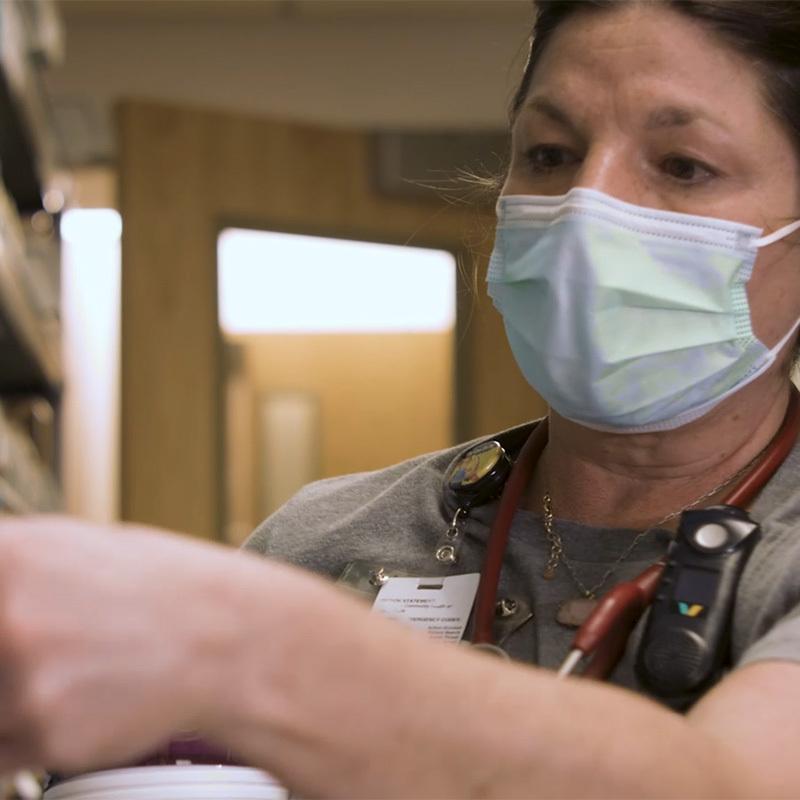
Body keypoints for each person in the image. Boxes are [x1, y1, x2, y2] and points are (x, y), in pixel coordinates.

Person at [1, 0, 800, 796]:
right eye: (551, 154)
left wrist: (252, 646)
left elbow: (734, 782)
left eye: (683, 165)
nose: (585, 210)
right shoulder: (328, 540)